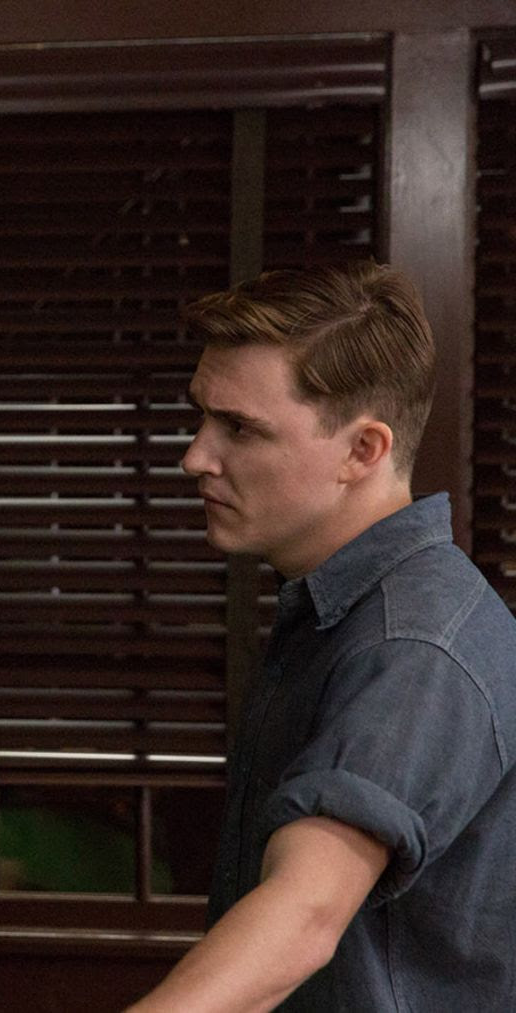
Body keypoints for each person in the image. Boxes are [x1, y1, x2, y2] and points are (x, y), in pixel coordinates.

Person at [129, 261, 516, 1010]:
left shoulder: (413, 647)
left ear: (363, 450)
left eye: (240, 428)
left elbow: (304, 914)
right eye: (203, 417)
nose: (195, 456)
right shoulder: (341, 612)